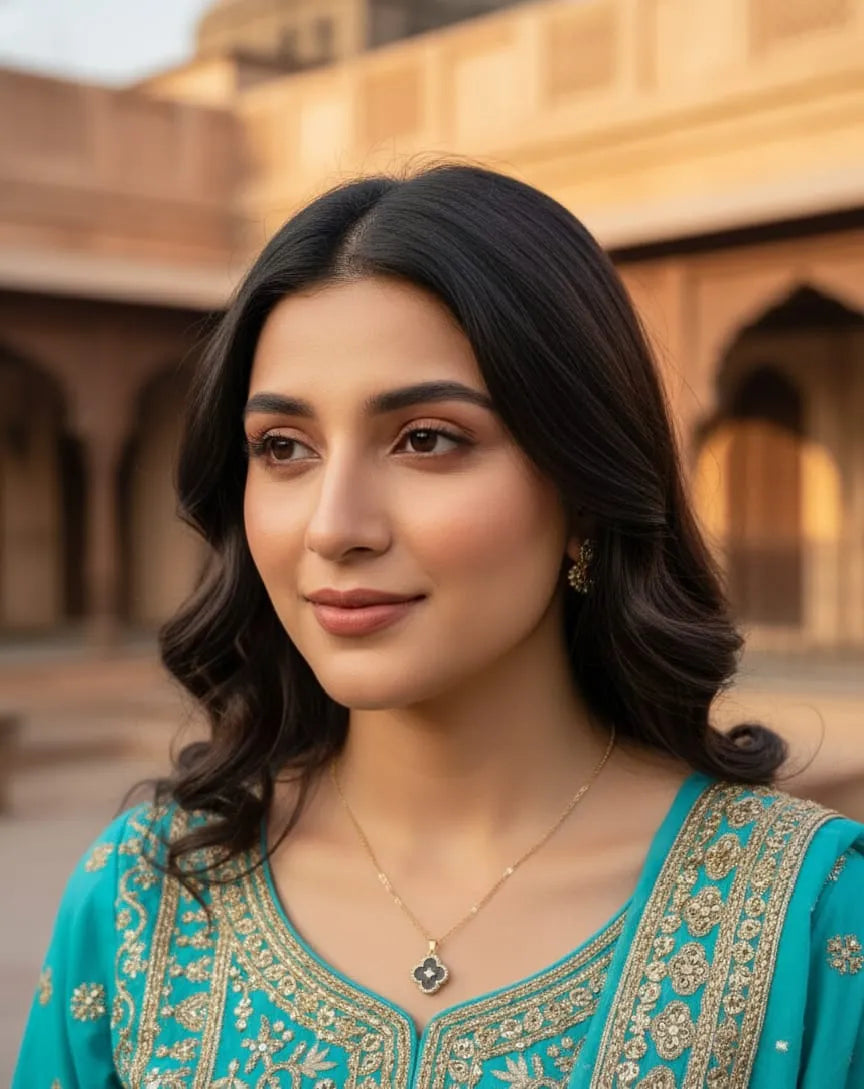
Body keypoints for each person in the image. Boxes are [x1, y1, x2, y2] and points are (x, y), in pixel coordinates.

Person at [13, 164, 863, 1088]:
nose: (334, 527)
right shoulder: (142, 902)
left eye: (426, 438)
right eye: (284, 448)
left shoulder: (810, 918)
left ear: (585, 490)